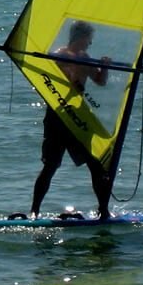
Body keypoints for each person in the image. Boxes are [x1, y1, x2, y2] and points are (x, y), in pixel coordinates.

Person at [30, 21, 115, 219]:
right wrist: (73, 74)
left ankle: (103, 211)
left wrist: (105, 66)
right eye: (89, 39)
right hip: (58, 115)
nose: (90, 44)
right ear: (81, 37)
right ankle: (34, 210)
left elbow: (100, 81)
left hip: (78, 117)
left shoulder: (85, 57)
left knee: (96, 164)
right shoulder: (59, 55)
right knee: (51, 165)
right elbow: (52, 78)